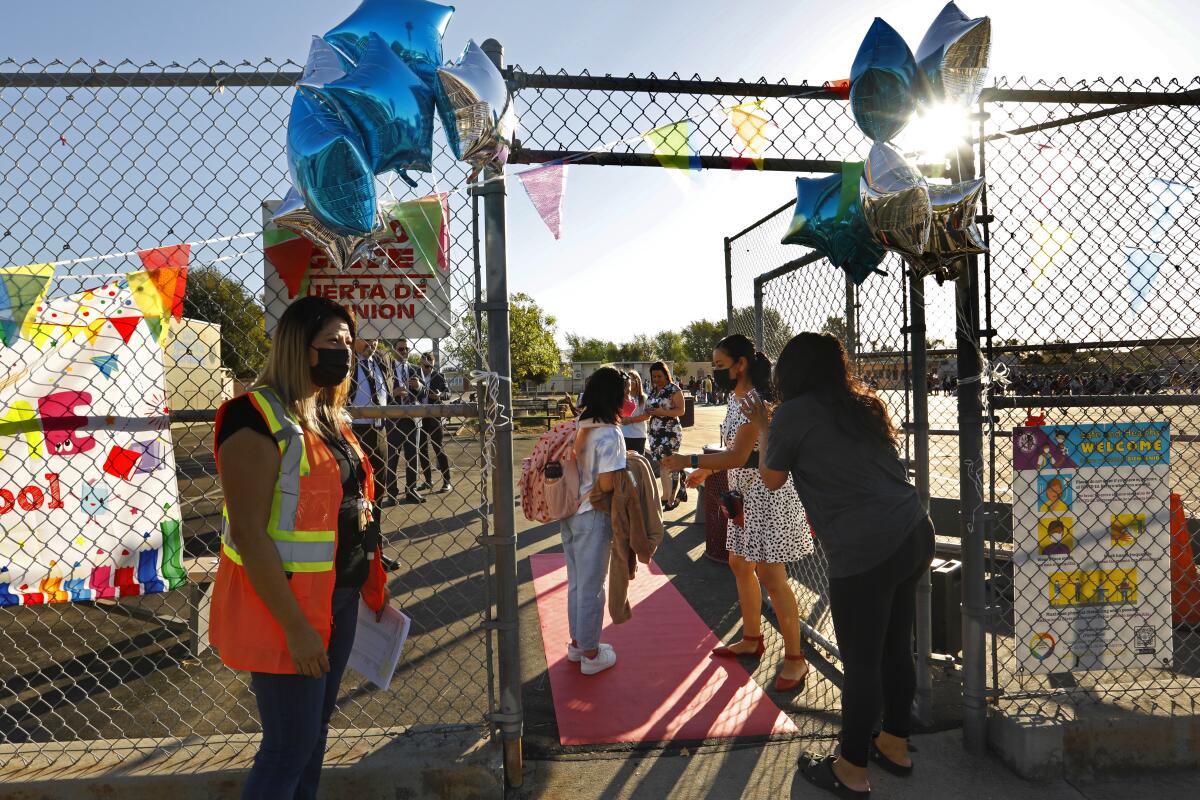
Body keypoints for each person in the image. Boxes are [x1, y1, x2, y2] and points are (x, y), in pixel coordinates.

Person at [209, 296, 389, 799]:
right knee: (289, 745)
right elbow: (248, 533)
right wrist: (297, 628)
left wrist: (370, 583)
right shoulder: (254, 418)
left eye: (349, 344)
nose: (345, 353)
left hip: (339, 598)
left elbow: (349, 511)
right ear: (297, 346)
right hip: (289, 608)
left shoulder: (328, 416)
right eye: (332, 342)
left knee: (312, 739)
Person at [743, 331, 933, 798]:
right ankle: (894, 743)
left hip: (865, 547)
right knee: (894, 647)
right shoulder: (862, 403)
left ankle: (850, 768)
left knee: (863, 662)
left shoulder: (793, 412)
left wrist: (766, 426)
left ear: (792, 372)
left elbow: (770, 479)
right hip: (913, 529)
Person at [661, 334, 814, 692]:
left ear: (740, 364)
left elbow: (735, 455)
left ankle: (796, 659)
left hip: (767, 496)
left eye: (719, 365)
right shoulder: (736, 399)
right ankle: (751, 637)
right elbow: (738, 454)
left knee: (773, 578)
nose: (714, 371)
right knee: (740, 564)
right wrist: (708, 470)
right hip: (747, 494)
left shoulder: (754, 401)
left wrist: (689, 461)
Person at [562, 365, 627, 676]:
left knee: (576, 583)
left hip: (571, 510)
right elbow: (607, 485)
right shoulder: (610, 433)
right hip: (594, 513)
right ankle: (590, 652)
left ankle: (578, 643)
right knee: (592, 586)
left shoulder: (581, 423)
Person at [349, 338, 391, 505]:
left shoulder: (382, 359)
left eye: (374, 339)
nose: (371, 344)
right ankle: (359, 525)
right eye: (366, 339)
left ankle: (376, 526)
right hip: (355, 431)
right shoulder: (349, 360)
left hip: (380, 430)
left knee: (380, 481)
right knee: (356, 482)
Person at [388, 338, 425, 504]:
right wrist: (393, 393)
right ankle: (391, 493)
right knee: (392, 458)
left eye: (407, 349)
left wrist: (418, 387)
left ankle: (412, 490)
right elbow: (379, 393)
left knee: (413, 456)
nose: (404, 352)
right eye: (401, 349)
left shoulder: (415, 369)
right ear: (394, 350)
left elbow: (425, 393)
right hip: (393, 420)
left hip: (412, 420)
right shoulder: (387, 369)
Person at [646, 361, 686, 510]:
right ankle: (666, 496)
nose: (656, 379)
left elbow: (681, 410)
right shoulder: (653, 389)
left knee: (670, 463)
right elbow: (650, 406)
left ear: (666, 374)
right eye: (653, 376)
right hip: (655, 431)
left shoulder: (673, 389)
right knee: (662, 464)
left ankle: (671, 497)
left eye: (659, 376)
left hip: (670, 432)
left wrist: (663, 413)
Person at [416, 352, 452, 494]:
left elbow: (448, 393)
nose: (426, 367)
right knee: (421, 449)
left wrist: (439, 395)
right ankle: (428, 480)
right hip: (420, 417)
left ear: (433, 363)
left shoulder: (439, 376)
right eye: (424, 364)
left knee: (438, 448)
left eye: (429, 364)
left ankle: (447, 481)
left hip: (435, 417)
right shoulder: (416, 376)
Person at [620, 370, 649, 455]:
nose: (631, 381)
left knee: (638, 461)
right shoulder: (622, 397)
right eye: (629, 379)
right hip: (624, 434)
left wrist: (630, 420)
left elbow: (647, 416)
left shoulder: (643, 397)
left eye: (633, 379)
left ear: (638, 381)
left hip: (638, 435)